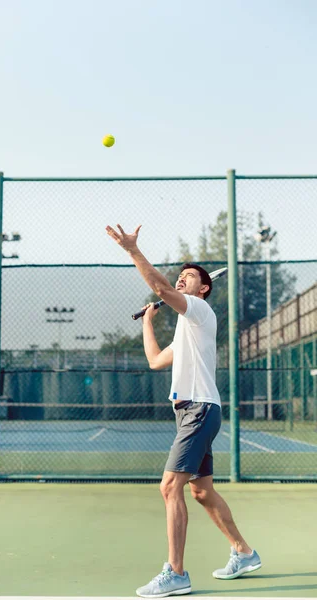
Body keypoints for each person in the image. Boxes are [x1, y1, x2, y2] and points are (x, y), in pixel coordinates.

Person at [106, 224, 261, 598]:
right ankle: (243, 552)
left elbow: (160, 288)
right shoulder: (186, 330)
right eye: (181, 277)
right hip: (192, 411)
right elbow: (157, 360)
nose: (181, 280)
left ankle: (176, 573)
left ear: (204, 288)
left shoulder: (201, 311)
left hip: (200, 410)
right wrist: (147, 323)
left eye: (189, 277)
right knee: (201, 492)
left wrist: (132, 250)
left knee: (169, 486)